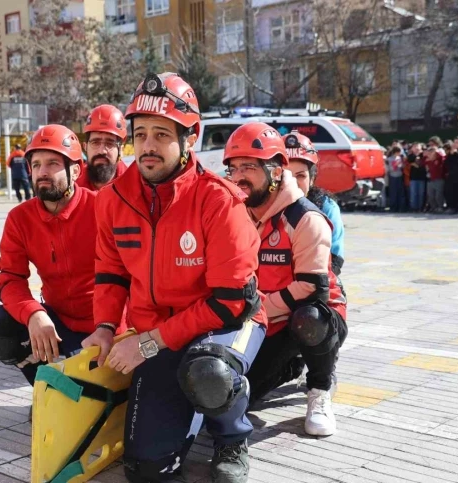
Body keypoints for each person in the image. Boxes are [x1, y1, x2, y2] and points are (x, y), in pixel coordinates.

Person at [82, 72, 264, 483]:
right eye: (140, 133)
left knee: (208, 374)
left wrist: (149, 343)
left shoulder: (219, 200)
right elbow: (110, 272)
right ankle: (193, 407)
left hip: (226, 326)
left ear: (190, 138)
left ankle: (232, 437)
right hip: (158, 335)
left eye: (162, 134)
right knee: (146, 469)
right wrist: (106, 327)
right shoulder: (113, 199)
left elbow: (227, 302)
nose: (147, 145)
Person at [223, 123, 347, 437]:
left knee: (309, 319)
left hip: (313, 314)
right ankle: (291, 366)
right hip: (265, 322)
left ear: (277, 171)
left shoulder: (306, 218)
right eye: (233, 168)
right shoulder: (237, 211)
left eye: (249, 167)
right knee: (235, 395)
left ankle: (319, 389)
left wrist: (256, 309)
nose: (239, 177)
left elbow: (311, 289)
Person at [0, 125, 118, 385]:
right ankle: (47, 389)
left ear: (76, 170)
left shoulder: (102, 208)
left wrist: (111, 327)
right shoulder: (19, 218)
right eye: (36, 164)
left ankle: (71, 386)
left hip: (107, 326)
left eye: (53, 163)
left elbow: (129, 275)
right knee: (0, 327)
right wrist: (33, 314)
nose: (42, 172)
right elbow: (10, 278)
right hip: (57, 321)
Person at [283, 130, 346, 275]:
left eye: (300, 176)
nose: (291, 181)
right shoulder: (262, 207)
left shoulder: (326, 207)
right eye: (285, 174)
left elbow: (335, 260)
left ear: (311, 179)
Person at [77, 105, 129, 191]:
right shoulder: (73, 185)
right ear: (85, 147)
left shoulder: (135, 186)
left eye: (109, 143)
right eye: (95, 142)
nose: (102, 151)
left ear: (121, 150)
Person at [385, 145, 407, 214]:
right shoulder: (389, 159)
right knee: (393, 192)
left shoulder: (400, 158)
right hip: (392, 176)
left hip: (399, 176)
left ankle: (401, 207)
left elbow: (402, 167)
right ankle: (393, 207)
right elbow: (388, 169)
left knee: (401, 192)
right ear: (396, 152)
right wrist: (394, 166)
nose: (400, 153)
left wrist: (401, 165)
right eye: (399, 152)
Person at [408, 143, 427, 212]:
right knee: (413, 193)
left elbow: (423, 163)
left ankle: (421, 207)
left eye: (417, 146)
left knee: (421, 193)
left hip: (422, 177)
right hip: (413, 177)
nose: (416, 148)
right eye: (414, 146)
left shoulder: (424, 155)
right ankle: (414, 208)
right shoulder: (411, 155)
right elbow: (410, 161)